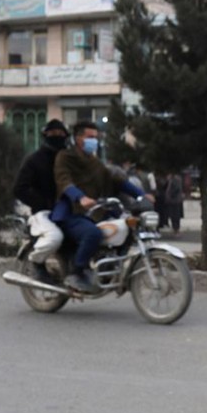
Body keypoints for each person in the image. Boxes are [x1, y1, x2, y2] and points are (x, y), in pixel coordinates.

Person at [52, 121, 146, 293]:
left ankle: (112, 269)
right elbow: (64, 181)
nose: (94, 141)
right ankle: (77, 273)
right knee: (93, 233)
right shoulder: (64, 157)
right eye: (90, 137)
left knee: (126, 228)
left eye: (96, 138)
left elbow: (113, 179)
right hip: (71, 213)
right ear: (78, 138)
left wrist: (140, 194)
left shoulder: (94, 162)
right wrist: (80, 197)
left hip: (94, 212)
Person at [12, 119, 68, 283]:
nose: (57, 137)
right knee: (54, 237)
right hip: (43, 212)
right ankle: (36, 262)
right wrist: (43, 203)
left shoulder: (69, 159)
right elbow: (19, 188)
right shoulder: (35, 160)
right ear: (46, 136)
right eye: (53, 134)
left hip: (68, 210)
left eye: (60, 134)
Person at [164, 172, 184, 236]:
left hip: (175, 200)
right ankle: (175, 228)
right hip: (173, 200)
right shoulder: (172, 179)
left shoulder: (176, 179)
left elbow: (176, 189)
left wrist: (170, 195)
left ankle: (176, 228)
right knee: (173, 215)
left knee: (175, 215)